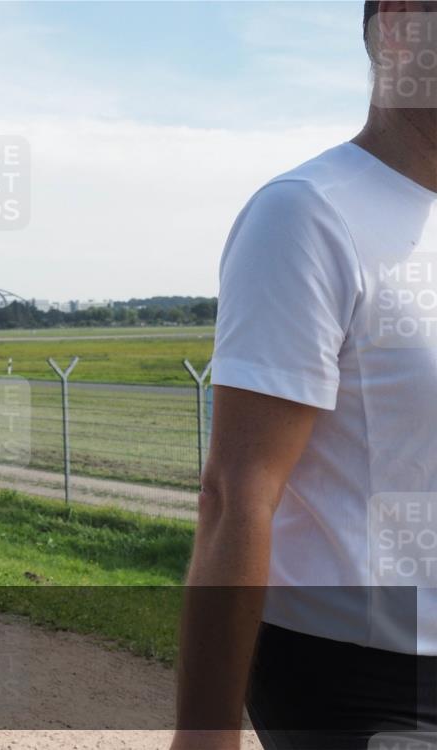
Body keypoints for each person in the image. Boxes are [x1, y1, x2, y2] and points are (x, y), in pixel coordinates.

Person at [173, 2, 436, 749]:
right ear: (400, 27)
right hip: (364, 679)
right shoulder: (309, 215)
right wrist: (205, 732)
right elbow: (236, 493)